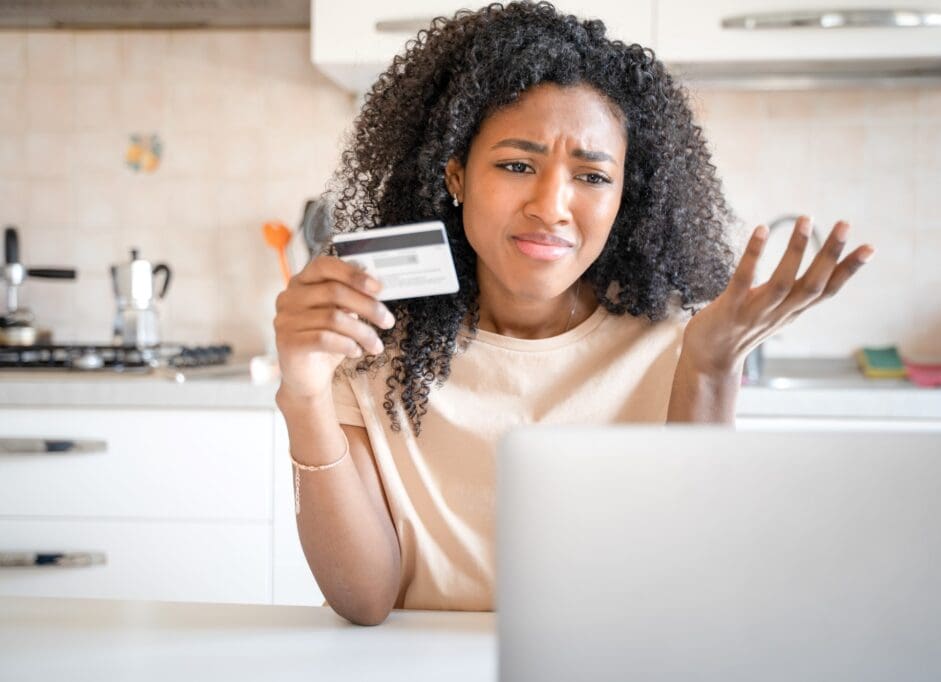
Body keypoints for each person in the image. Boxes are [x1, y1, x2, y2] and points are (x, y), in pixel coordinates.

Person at [272, 1, 874, 626]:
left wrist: (710, 369)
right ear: (456, 176)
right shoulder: (370, 341)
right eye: (516, 165)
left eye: (591, 176)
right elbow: (364, 598)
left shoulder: (678, 346)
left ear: (624, 196)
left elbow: (694, 589)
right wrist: (305, 394)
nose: (552, 206)